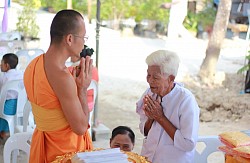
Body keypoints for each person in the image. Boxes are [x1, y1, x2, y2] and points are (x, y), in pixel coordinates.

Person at [24, 10, 93, 162]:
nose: (84, 43)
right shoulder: (62, 76)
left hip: (42, 146)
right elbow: (80, 128)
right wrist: (82, 89)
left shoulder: (33, 65)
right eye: (83, 37)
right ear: (69, 38)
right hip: (63, 154)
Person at [136, 50, 200, 163]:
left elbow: (188, 144)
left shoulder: (185, 100)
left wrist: (160, 118)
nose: (150, 80)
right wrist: (151, 117)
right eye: (148, 75)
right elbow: (144, 131)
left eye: (155, 77)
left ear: (171, 78)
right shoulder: (150, 93)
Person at [0, 53, 23, 139]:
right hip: (20, 107)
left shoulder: (3, 77)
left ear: (6, 65)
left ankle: (4, 132)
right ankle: (7, 131)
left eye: (1, 63)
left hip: (6, 108)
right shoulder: (21, 74)